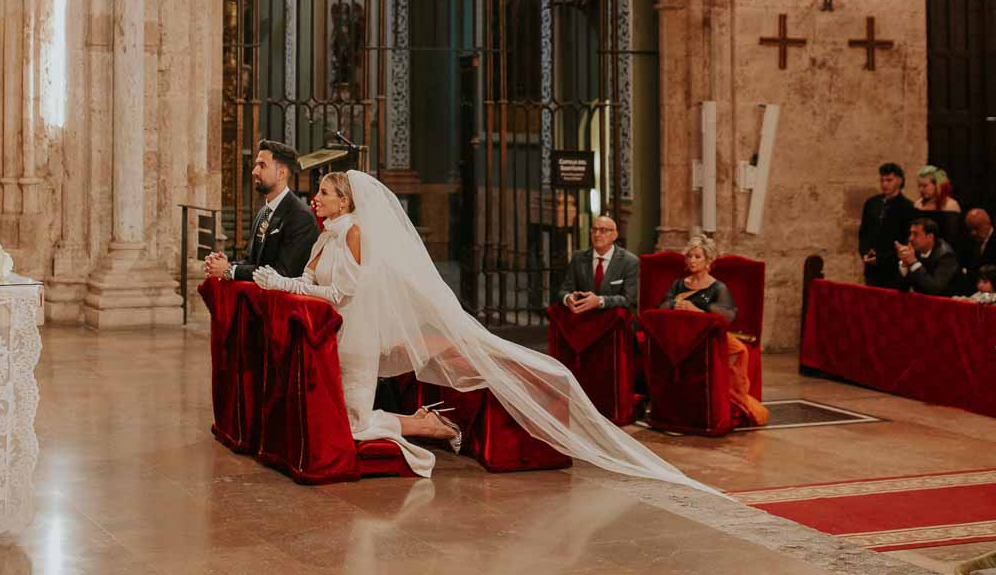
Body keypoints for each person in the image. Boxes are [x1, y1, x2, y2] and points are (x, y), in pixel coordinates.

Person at [252, 169, 713, 488]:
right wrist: (278, 282)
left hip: (356, 335)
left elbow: (342, 294)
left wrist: (284, 285)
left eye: (325, 193)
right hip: (333, 335)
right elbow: (313, 282)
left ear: (345, 200)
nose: (317, 198)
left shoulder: (353, 233)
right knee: (342, 419)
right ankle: (424, 424)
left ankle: (427, 428)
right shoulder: (326, 234)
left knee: (352, 423)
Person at [661, 232, 768, 427]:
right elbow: (662, 307)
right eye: (689, 256)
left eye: (697, 257)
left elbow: (726, 317)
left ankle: (729, 396)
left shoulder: (718, 288)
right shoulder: (678, 284)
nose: (692, 261)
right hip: (681, 336)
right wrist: (675, 305)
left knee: (739, 351)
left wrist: (698, 310)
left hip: (707, 336)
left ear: (708, 260)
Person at [204, 138, 317, 283]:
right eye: (256, 165)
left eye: (262, 165)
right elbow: (253, 262)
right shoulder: (263, 211)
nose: (254, 171)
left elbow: (284, 273)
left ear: (281, 173)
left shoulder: (300, 216)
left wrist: (230, 271)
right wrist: (224, 265)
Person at [555, 213, 639, 314]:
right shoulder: (578, 257)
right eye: (594, 230)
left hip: (611, 318)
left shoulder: (629, 261)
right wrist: (568, 298)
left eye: (603, 230)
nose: (597, 234)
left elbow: (629, 300)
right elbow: (563, 291)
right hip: (582, 316)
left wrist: (599, 301)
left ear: (614, 235)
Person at [857, 163, 916, 288]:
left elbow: (906, 240)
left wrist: (882, 258)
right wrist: (865, 253)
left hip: (893, 269)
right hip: (871, 268)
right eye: (882, 180)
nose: (884, 184)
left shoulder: (907, 207)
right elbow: (864, 232)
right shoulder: (872, 203)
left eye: (889, 180)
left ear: (899, 181)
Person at [894, 215, 961, 296]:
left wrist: (913, 262)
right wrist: (904, 264)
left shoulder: (946, 256)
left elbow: (934, 288)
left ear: (930, 237)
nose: (910, 238)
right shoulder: (915, 249)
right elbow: (902, 288)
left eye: (915, 234)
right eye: (910, 233)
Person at [960, 208, 996, 295]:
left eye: (976, 228)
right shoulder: (968, 242)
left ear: (987, 223)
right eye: (970, 229)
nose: (973, 233)